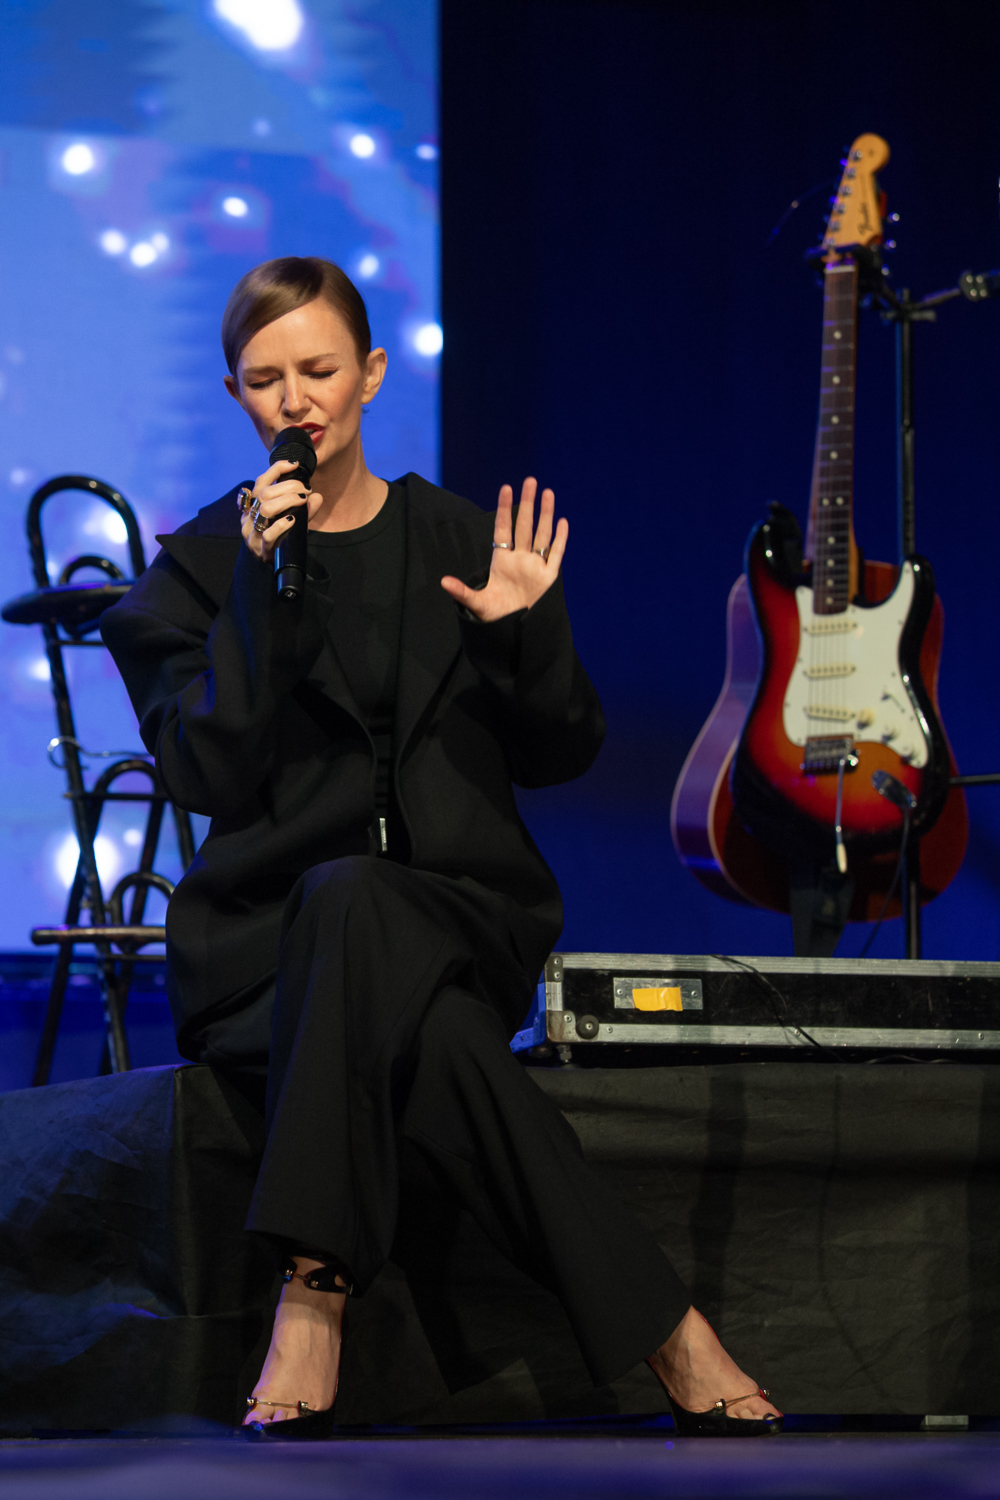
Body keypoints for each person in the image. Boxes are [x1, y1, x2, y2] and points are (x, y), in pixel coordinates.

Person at [101, 256, 783, 1440]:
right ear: (235, 396)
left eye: (319, 369)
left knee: (365, 903)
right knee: (429, 1026)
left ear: (370, 374)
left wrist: (523, 635)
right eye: (265, 380)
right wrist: (260, 596)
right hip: (268, 959)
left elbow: (563, 751)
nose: (296, 400)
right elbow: (206, 773)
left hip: (459, 921)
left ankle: (312, 1291)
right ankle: (673, 1333)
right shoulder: (196, 573)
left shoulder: (466, 540)